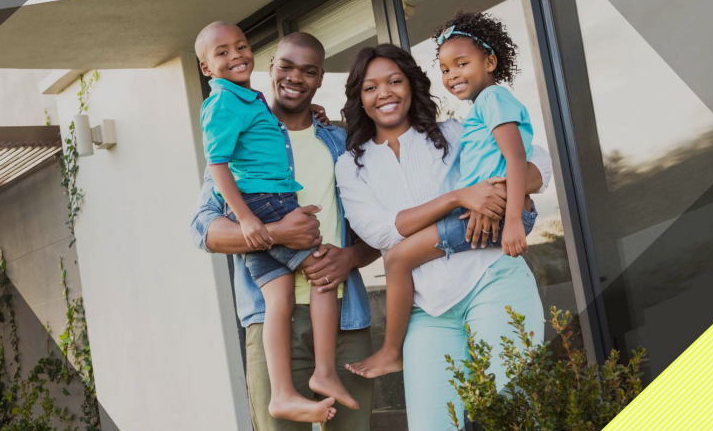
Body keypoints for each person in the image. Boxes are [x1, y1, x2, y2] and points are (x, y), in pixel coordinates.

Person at [334, 43, 549, 430]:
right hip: (426, 311)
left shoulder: (454, 132)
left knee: (514, 416)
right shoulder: (351, 164)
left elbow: (539, 163)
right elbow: (380, 231)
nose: (384, 93)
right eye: (371, 87)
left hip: (491, 280)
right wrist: (458, 196)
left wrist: (497, 195)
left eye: (395, 81)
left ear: (412, 86)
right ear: (359, 98)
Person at [191, 30, 381, 431]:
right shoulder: (242, 138)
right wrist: (278, 232)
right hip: (272, 322)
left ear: (320, 79)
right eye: (287, 66)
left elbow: (380, 232)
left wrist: (348, 257)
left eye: (309, 71)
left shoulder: (340, 141)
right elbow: (203, 230)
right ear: (271, 67)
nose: (296, 78)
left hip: (345, 320)